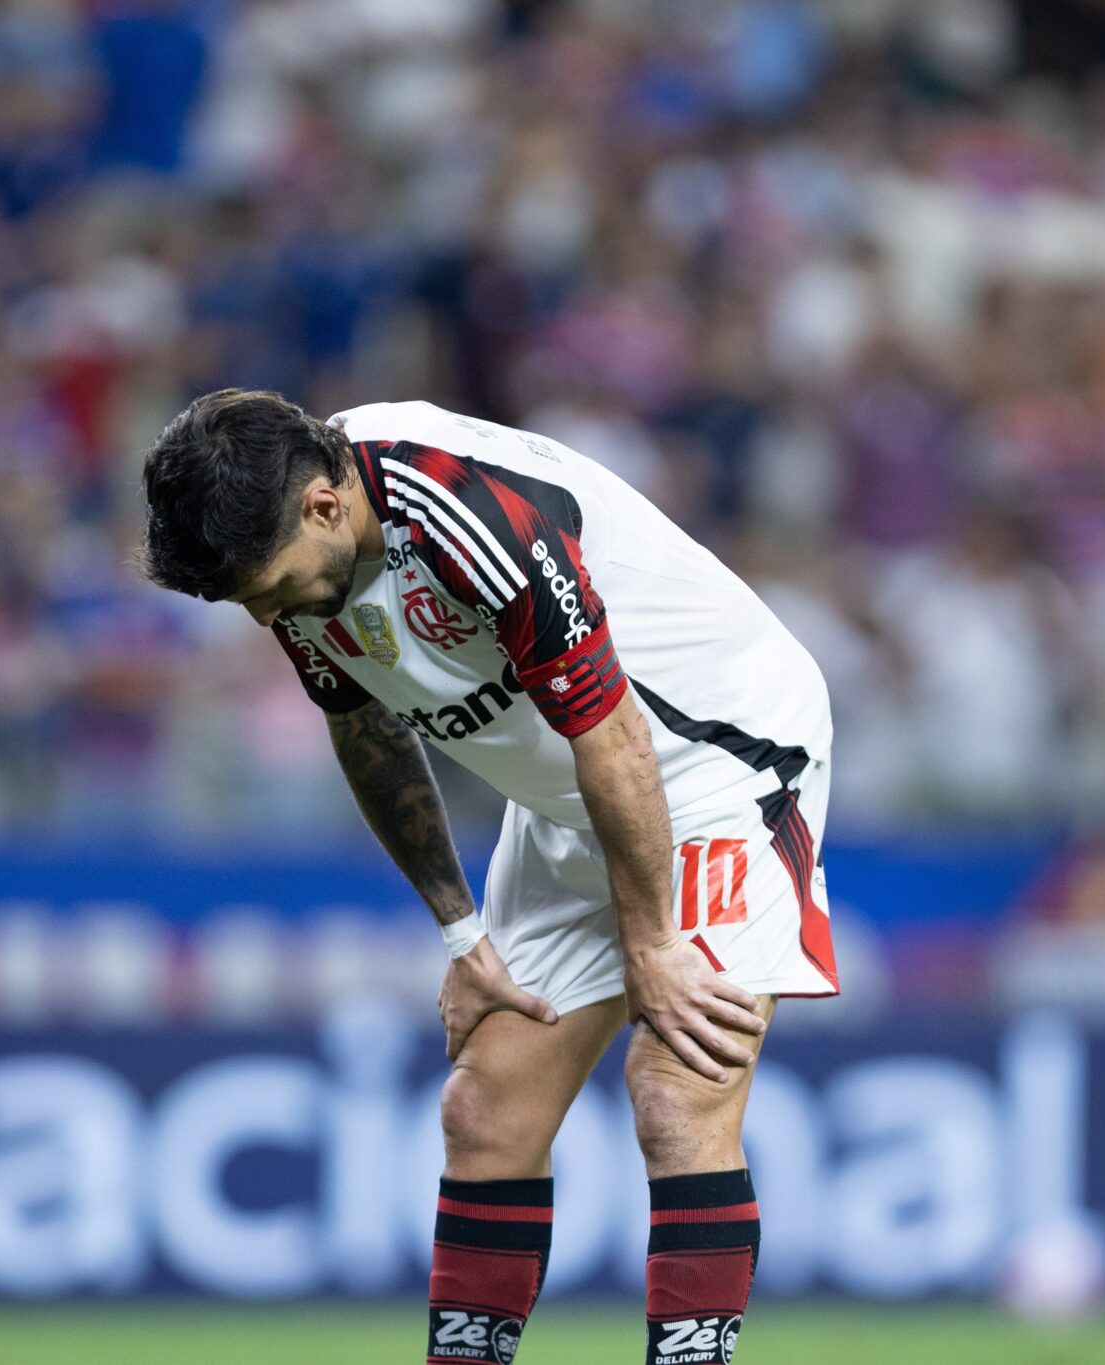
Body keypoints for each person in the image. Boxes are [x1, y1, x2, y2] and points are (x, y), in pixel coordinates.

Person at [140, 389, 838, 1365]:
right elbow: (365, 730)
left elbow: (612, 726)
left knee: (676, 1090)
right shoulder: (303, 553)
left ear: (325, 508)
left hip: (719, 764)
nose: (266, 614)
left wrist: (652, 940)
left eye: (271, 586)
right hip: (577, 792)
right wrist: (462, 936)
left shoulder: (462, 507)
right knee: (485, 1112)